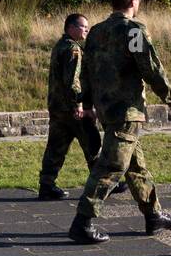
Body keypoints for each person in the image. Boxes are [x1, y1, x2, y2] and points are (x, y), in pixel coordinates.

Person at [68, 0, 171, 244]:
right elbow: (150, 67)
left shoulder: (96, 32)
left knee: (136, 166)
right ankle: (82, 222)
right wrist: (170, 99)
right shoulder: (133, 30)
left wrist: (87, 105)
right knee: (111, 166)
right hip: (126, 110)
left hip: (107, 109)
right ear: (133, 1)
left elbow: (85, 72)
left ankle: (153, 215)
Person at [38, 13, 126, 200]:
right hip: (73, 109)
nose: (86, 29)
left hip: (58, 107)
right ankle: (103, 185)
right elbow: (73, 81)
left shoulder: (60, 46)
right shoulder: (73, 50)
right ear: (70, 27)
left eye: (87, 26)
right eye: (82, 26)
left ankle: (46, 185)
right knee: (92, 143)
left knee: (55, 147)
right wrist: (78, 104)